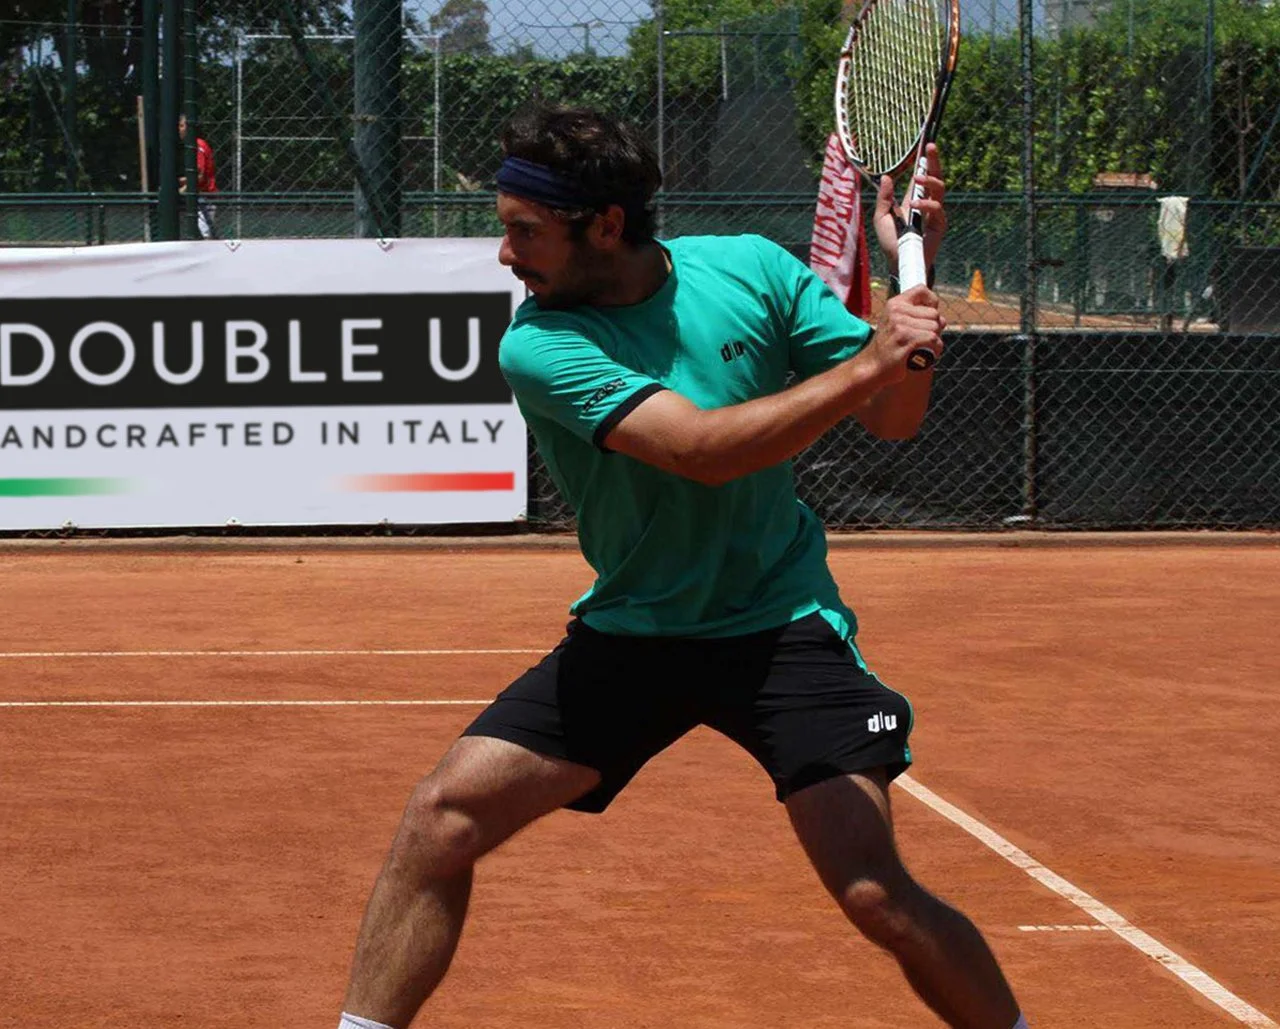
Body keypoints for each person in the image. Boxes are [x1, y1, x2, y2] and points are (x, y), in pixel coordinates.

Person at [336, 105, 1028, 1029]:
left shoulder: (749, 268)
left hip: (782, 628)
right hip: (634, 634)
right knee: (441, 819)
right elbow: (701, 450)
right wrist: (873, 358)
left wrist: (910, 287)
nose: (506, 255)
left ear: (607, 226)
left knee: (873, 891)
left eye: (523, 231)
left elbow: (895, 418)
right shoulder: (539, 343)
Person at [177, 113, 217, 239]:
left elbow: (199, 176)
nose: (179, 129)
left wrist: (181, 189)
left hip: (205, 196)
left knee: (204, 237)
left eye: (182, 125)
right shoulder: (191, 146)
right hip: (198, 197)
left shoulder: (198, 145)